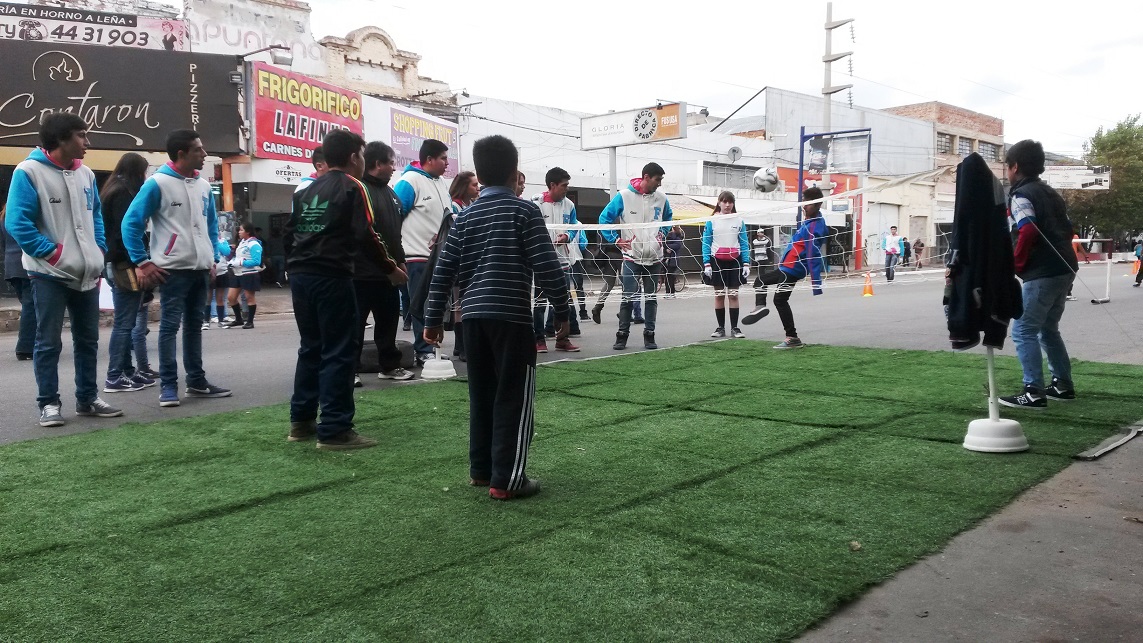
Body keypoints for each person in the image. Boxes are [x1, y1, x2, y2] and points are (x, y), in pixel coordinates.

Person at [423, 134, 569, 501]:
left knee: (482, 392)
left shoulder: (464, 216)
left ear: (481, 176)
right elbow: (547, 266)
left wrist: (432, 320)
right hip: (512, 317)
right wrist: (563, 312)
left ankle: (481, 469)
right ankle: (508, 479)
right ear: (514, 172)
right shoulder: (524, 211)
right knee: (514, 397)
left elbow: (443, 271)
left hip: (471, 318)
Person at [285, 129, 407, 450]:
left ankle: (301, 422)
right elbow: (368, 234)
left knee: (310, 347)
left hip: (300, 275)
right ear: (355, 157)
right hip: (332, 275)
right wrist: (391, 268)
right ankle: (336, 428)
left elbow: (290, 233)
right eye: (362, 156)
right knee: (339, 349)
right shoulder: (354, 187)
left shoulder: (307, 189)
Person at [4, 113, 122, 426]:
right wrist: (54, 255)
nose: (88, 142)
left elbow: (95, 214)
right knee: (48, 342)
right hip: (48, 275)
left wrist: (97, 251)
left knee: (88, 341)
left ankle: (87, 398)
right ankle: (48, 404)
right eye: (82, 135)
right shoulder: (28, 172)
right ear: (61, 139)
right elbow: (16, 222)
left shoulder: (85, 175)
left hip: (88, 273)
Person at [122, 129, 233, 408]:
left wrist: (211, 260)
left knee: (195, 326)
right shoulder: (157, 184)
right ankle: (169, 387)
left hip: (200, 269)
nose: (205, 154)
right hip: (172, 270)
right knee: (170, 328)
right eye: (199, 150)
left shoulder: (205, 187)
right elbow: (130, 225)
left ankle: (196, 381)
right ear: (182, 154)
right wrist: (143, 262)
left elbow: (210, 226)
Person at [999, 140, 1079, 409]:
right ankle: (1062, 384)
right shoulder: (1050, 193)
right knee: (1048, 329)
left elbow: (1028, 229)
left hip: (1043, 272)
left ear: (1015, 167)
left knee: (1023, 330)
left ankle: (1033, 391)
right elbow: (1068, 229)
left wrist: (1017, 263)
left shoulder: (1020, 195)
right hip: (1065, 268)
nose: (1006, 172)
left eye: (1006, 166)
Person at [741, 186, 829, 349]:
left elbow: (813, 254)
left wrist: (816, 283)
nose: (804, 207)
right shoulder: (809, 222)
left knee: (780, 300)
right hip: (786, 267)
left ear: (817, 205)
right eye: (804, 203)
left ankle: (792, 338)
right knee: (760, 280)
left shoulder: (813, 227)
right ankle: (760, 307)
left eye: (808, 204)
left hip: (793, 269)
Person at [598, 162, 674, 350]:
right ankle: (622, 335)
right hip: (631, 257)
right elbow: (604, 219)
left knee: (651, 299)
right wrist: (615, 240)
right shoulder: (624, 196)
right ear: (646, 177)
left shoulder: (662, 198)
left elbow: (668, 218)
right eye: (658, 180)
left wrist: (662, 235)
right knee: (628, 298)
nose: (659, 184)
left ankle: (649, 335)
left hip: (654, 258)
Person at [99, 152, 156, 393]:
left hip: (116, 262)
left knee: (127, 320)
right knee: (125, 322)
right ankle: (115, 375)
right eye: (144, 172)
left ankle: (126, 371)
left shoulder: (112, 189)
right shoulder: (123, 193)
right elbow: (126, 232)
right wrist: (139, 262)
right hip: (125, 263)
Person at [358, 141, 414, 384]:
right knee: (354, 326)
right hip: (359, 273)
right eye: (390, 162)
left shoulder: (391, 194)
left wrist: (400, 262)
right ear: (377, 164)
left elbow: (394, 233)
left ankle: (390, 366)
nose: (394, 167)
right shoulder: (359, 189)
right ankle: (350, 372)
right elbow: (363, 234)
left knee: (389, 322)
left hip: (389, 273)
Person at [395, 139, 451, 365]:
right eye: (443, 158)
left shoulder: (440, 184)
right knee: (420, 303)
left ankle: (431, 347)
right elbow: (394, 216)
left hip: (438, 257)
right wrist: (397, 255)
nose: (447, 163)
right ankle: (422, 350)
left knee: (435, 303)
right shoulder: (409, 181)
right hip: (416, 255)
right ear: (429, 159)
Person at [530, 166, 581, 352]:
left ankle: (562, 339)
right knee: (540, 302)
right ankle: (538, 339)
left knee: (562, 302)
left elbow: (574, 226)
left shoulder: (570, 205)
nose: (567, 188)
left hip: (563, 261)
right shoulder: (536, 203)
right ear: (552, 185)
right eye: (564, 185)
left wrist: (566, 236)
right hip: (541, 262)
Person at [702, 191, 750, 338]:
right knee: (719, 295)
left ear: (733, 204)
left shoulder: (739, 220)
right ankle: (720, 328)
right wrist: (707, 263)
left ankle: (735, 328)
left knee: (734, 295)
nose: (727, 205)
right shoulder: (712, 221)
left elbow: (744, 243)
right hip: (716, 261)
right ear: (719, 202)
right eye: (724, 201)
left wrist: (746, 263)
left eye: (730, 202)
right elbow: (706, 242)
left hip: (735, 261)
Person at [2, 211, 36, 361]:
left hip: (11, 266)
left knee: (28, 305)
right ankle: (25, 346)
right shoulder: (25, 213)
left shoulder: (3, 217)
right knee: (32, 306)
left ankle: (35, 341)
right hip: (25, 264)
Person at [225, 222, 262, 329]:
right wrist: (233, 261)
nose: (239, 232)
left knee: (249, 297)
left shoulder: (254, 244)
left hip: (249, 273)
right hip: (237, 273)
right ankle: (238, 319)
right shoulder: (241, 242)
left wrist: (241, 263)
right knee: (231, 297)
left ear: (248, 232)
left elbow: (256, 261)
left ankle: (250, 321)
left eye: (241, 230)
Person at [663, 225, 684, 297]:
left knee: (669, 277)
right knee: (668, 277)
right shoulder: (668, 237)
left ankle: (670, 293)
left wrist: (668, 247)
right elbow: (664, 244)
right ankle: (670, 292)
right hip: (667, 260)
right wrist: (666, 248)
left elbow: (677, 245)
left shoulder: (678, 238)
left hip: (673, 261)